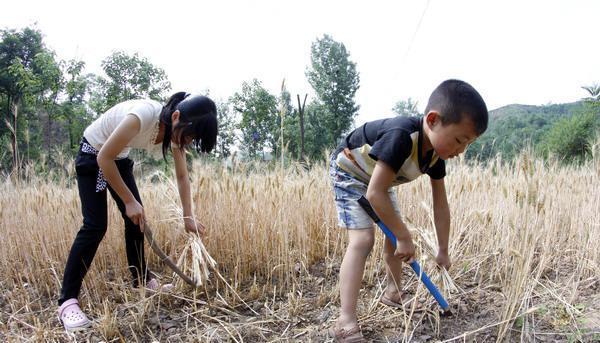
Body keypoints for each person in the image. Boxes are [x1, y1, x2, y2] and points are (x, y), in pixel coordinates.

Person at [327, 79, 488, 342]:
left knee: (395, 239)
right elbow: (374, 193)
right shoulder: (402, 136)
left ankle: (393, 293)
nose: (460, 151)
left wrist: (443, 249)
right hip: (350, 170)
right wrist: (403, 236)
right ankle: (345, 320)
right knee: (363, 240)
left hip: (379, 179)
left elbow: (440, 204)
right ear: (433, 120)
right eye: (459, 140)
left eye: (467, 145)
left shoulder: (436, 154)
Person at [57, 92, 218, 331]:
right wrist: (129, 200)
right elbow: (104, 157)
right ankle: (67, 301)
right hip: (93, 155)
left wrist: (188, 217)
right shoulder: (142, 115)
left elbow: (183, 177)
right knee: (95, 226)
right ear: (176, 116)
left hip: (117, 159)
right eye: (191, 136)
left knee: (136, 221)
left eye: (193, 139)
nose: (188, 143)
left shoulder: (176, 132)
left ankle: (141, 281)